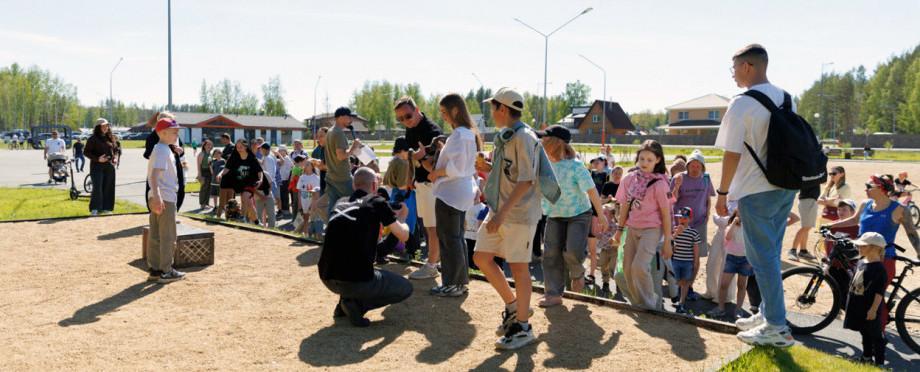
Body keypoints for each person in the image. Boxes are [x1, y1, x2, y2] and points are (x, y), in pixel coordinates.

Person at [714, 44, 797, 347]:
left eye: (734, 67)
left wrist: (722, 193)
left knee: (761, 259)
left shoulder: (741, 104)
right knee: (769, 254)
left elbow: (731, 153)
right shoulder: (787, 97)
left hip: (756, 188)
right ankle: (767, 313)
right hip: (785, 186)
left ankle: (776, 326)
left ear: (747, 66)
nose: (733, 74)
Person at [474, 87, 547, 350]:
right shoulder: (507, 135)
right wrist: (488, 168)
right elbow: (512, 174)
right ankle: (515, 307)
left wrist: (501, 214)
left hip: (518, 214)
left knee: (519, 268)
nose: (491, 113)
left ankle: (523, 327)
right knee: (481, 257)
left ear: (503, 109)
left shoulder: (524, 137)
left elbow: (527, 180)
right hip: (502, 210)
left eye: (493, 108)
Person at [318, 167, 412, 328]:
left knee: (348, 258)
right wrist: (403, 218)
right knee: (405, 288)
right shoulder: (376, 202)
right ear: (374, 186)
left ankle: (345, 302)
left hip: (327, 276)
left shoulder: (341, 202)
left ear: (354, 185)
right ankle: (356, 306)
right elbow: (403, 236)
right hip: (356, 280)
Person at [829, 174, 920, 326]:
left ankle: (879, 334)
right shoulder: (865, 204)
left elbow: (912, 234)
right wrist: (831, 225)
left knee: (875, 299)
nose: (865, 189)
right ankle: (869, 332)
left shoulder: (900, 210)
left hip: (884, 260)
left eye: (869, 186)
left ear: (882, 188)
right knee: (863, 296)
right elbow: (854, 220)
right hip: (863, 259)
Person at [536, 124, 606, 307]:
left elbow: (591, 191)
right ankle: (553, 294)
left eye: (544, 139)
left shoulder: (575, 166)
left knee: (573, 250)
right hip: (554, 215)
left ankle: (577, 272)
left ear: (556, 143)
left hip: (579, 214)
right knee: (551, 253)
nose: (541, 142)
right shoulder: (543, 166)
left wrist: (601, 215)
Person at [423, 94, 481, 297]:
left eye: (444, 112)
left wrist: (435, 173)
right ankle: (459, 282)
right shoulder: (468, 133)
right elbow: (462, 164)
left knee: (449, 239)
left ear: (455, 110)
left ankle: (452, 283)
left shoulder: (459, 134)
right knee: (456, 238)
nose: (443, 116)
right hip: (460, 192)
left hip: (451, 193)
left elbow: (456, 168)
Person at [612, 140, 673, 310]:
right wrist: (619, 230)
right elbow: (625, 206)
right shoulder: (629, 179)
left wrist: (668, 241)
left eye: (649, 160)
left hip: (652, 229)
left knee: (639, 266)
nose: (645, 163)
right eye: (642, 159)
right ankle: (638, 302)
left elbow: (666, 214)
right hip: (632, 227)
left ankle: (650, 304)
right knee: (626, 268)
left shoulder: (660, 184)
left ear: (658, 160)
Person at [394, 96, 444, 280]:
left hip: (433, 184)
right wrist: (410, 177)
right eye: (400, 119)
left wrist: (418, 158)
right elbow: (411, 156)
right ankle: (434, 262)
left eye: (407, 116)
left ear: (417, 110)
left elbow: (436, 164)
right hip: (421, 184)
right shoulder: (411, 129)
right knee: (428, 226)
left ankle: (432, 265)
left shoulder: (431, 130)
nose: (405, 121)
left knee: (433, 227)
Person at [145, 117, 186, 283]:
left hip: (157, 196)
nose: (177, 135)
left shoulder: (161, 148)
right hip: (164, 197)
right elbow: (155, 175)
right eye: (174, 132)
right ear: (162, 133)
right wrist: (158, 197)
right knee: (168, 236)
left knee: (155, 235)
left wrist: (155, 196)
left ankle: (155, 270)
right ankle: (167, 271)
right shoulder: (162, 150)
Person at [671, 150, 715, 300]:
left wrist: (707, 214)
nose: (695, 168)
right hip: (681, 223)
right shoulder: (679, 178)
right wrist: (677, 187)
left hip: (699, 223)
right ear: (687, 166)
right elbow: (672, 200)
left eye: (698, 166)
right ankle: (677, 286)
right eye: (692, 165)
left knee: (696, 257)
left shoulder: (706, 178)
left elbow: (708, 198)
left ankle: (689, 287)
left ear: (702, 167)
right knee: (678, 255)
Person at [843, 232, 889, 366]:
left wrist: (873, 310)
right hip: (859, 306)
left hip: (870, 308)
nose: (859, 248)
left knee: (876, 336)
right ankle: (866, 357)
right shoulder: (861, 262)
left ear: (874, 248)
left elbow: (879, 293)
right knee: (865, 333)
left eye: (863, 246)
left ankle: (879, 364)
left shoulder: (879, 269)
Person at [707, 209, 751, 320]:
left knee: (742, 285)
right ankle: (720, 308)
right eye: (739, 213)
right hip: (731, 258)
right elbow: (728, 237)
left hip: (745, 259)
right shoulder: (730, 226)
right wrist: (734, 223)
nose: (741, 215)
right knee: (724, 284)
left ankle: (738, 309)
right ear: (735, 214)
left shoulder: (750, 227)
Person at [324, 107, 363, 218]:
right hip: (342, 178)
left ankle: (331, 227)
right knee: (356, 205)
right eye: (349, 117)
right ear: (341, 117)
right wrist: (354, 147)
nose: (351, 120)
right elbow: (341, 156)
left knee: (333, 209)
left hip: (331, 176)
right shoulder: (338, 133)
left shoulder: (330, 131)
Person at [144, 112, 186, 210]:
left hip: (175, 167)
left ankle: (174, 210)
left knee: (179, 190)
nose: (173, 124)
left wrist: (180, 151)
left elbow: (181, 148)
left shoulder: (174, 135)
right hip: (161, 170)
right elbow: (149, 154)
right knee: (155, 191)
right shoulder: (154, 138)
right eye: (170, 121)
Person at [216, 139, 263, 223]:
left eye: (241, 147)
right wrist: (220, 174)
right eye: (237, 147)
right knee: (249, 204)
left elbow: (259, 171)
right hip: (239, 182)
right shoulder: (234, 157)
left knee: (245, 197)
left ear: (245, 147)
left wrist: (260, 179)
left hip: (250, 181)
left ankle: (242, 217)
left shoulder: (251, 157)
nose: (239, 148)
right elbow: (226, 168)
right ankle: (256, 222)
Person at [84, 119, 118, 215]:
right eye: (103, 126)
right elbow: (86, 152)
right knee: (97, 187)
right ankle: (95, 208)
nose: (105, 127)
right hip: (96, 166)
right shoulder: (92, 139)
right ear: (98, 127)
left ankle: (107, 208)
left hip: (109, 166)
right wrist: (98, 159)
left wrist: (115, 158)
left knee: (108, 187)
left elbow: (116, 150)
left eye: (107, 126)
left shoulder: (110, 138)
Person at [670, 207, 701, 314]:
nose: (682, 220)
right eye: (680, 218)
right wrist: (675, 234)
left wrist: (695, 263)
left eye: (684, 218)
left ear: (690, 219)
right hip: (676, 260)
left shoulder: (693, 233)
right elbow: (670, 244)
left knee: (685, 282)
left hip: (687, 261)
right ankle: (676, 298)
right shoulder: (674, 230)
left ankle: (681, 302)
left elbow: (696, 249)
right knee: (675, 281)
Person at [789, 183, 821, 261]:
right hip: (807, 200)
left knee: (807, 227)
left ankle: (803, 251)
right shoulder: (810, 175)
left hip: (810, 200)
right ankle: (792, 250)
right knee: (806, 227)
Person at [596, 203, 620, 298]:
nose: (603, 215)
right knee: (603, 266)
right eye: (602, 213)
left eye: (605, 213)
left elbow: (619, 236)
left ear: (612, 215)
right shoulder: (600, 224)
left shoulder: (616, 226)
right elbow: (598, 234)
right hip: (604, 250)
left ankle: (619, 284)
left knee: (613, 267)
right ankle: (605, 283)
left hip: (614, 250)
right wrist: (598, 234)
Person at [297, 160, 321, 238]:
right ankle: (305, 233)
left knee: (313, 218)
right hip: (304, 200)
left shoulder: (316, 178)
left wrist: (313, 203)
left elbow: (317, 191)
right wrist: (299, 202)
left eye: (308, 164)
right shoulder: (302, 177)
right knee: (305, 217)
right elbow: (299, 191)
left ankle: (315, 234)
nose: (305, 166)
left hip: (313, 200)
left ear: (312, 166)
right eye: (305, 164)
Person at [196, 139, 214, 209]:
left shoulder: (210, 154)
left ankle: (206, 203)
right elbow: (199, 165)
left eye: (210, 145)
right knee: (203, 188)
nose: (209, 146)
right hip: (203, 172)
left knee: (209, 188)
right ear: (204, 146)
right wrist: (199, 174)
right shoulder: (202, 154)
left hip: (209, 172)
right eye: (207, 145)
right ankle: (202, 204)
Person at [311, 128, 328, 195]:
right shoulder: (322, 148)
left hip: (333, 187)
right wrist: (316, 162)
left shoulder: (333, 149)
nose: (318, 139)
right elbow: (323, 164)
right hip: (323, 184)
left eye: (321, 136)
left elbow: (335, 167)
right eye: (318, 136)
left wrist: (318, 165)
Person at [277, 146, 293, 218]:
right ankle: (283, 209)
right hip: (281, 179)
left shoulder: (286, 158)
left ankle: (286, 210)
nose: (280, 152)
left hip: (285, 180)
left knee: (284, 195)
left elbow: (291, 166)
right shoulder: (281, 158)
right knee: (281, 195)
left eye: (281, 150)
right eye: (279, 151)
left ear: (285, 151)